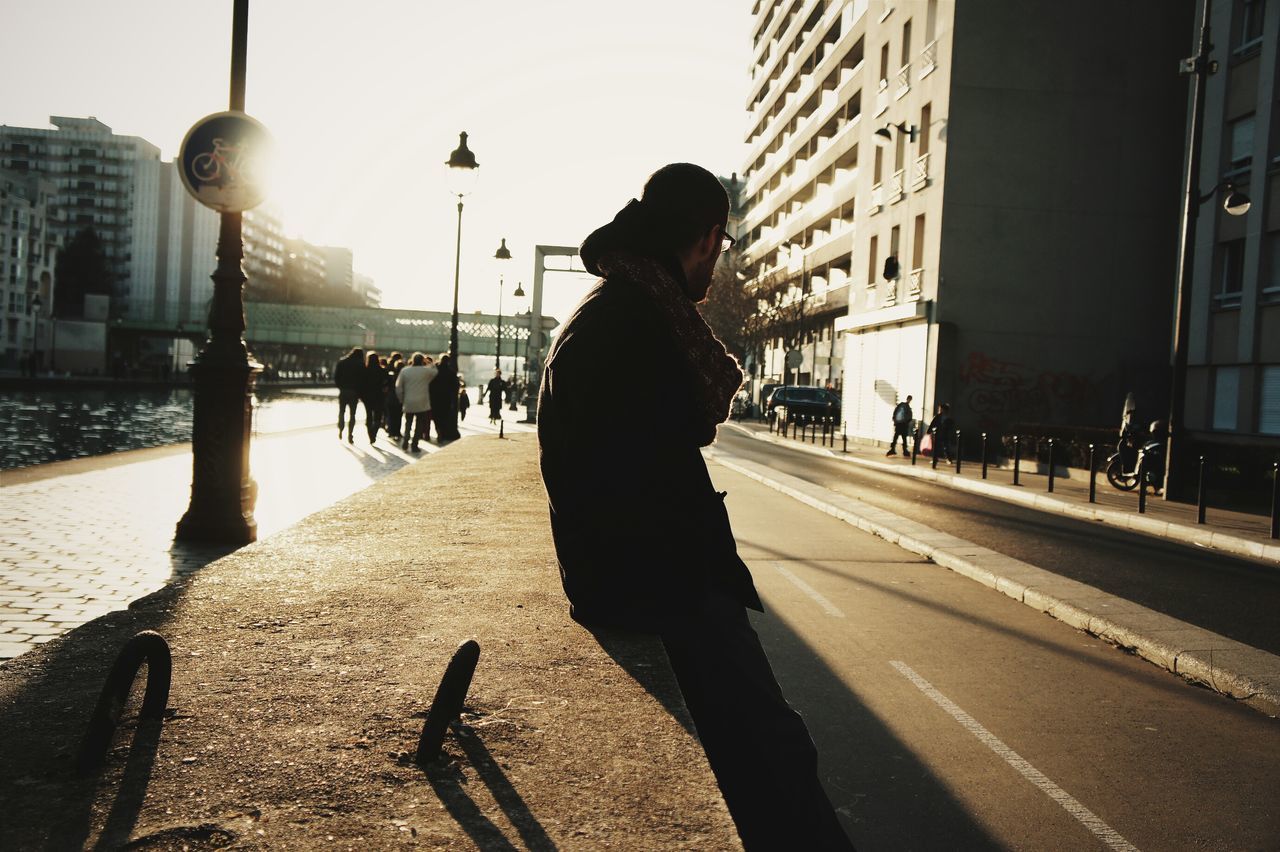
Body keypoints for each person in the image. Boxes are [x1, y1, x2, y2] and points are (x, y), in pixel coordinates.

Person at [538, 163, 853, 850]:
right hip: (660, 584)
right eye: (721, 244)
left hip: (623, 571)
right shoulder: (638, 320)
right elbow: (654, 461)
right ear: (709, 238)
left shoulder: (615, 304)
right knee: (776, 753)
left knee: (765, 755)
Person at [395, 352, 438, 452]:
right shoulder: (426, 371)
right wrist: (428, 362)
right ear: (422, 361)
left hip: (408, 401)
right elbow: (435, 371)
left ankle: (406, 441)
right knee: (419, 424)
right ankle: (415, 444)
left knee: (408, 423)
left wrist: (401, 399)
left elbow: (398, 387)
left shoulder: (405, 371)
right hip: (422, 401)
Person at [333, 347, 364, 444]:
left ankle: (340, 430)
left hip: (343, 391)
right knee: (352, 414)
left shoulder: (342, 362)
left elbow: (336, 377)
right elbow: (363, 380)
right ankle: (350, 434)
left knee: (342, 412)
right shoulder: (361, 364)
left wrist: (341, 387)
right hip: (354, 392)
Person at [430, 353, 462, 442]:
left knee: (436, 416)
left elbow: (430, 384)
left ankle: (439, 431)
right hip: (446, 398)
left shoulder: (435, 371)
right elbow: (455, 387)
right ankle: (443, 433)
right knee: (444, 416)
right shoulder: (451, 372)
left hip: (435, 397)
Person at [359, 350, 385, 443]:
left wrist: (361, 395)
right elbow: (387, 383)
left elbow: (360, 384)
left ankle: (370, 434)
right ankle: (374, 432)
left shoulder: (364, 371)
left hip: (367, 397)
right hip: (379, 396)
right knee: (378, 416)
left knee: (369, 415)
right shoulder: (382, 370)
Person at [384, 352, 405, 440]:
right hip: (399, 396)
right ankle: (397, 431)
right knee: (398, 415)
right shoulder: (402, 372)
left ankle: (390, 430)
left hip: (390, 395)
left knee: (390, 414)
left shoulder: (388, 369)